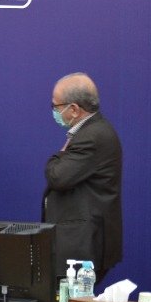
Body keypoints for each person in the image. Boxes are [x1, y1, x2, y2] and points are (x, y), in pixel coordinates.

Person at [43, 72, 122, 282]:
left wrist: (58, 155)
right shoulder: (93, 131)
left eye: (55, 106)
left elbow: (58, 177)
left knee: (72, 300)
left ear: (74, 109)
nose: (54, 111)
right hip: (81, 241)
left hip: (82, 245)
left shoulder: (92, 136)